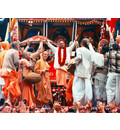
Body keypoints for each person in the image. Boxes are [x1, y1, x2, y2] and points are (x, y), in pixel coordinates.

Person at [71, 38, 94, 105]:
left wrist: (72, 62)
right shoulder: (90, 52)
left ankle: (77, 104)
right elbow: (93, 62)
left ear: (81, 44)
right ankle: (86, 104)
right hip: (87, 73)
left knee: (77, 89)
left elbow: (79, 57)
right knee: (86, 89)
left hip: (80, 72)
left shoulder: (79, 49)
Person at [0, 41, 21, 106]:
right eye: (19, 46)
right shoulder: (15, 52)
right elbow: (16, 62)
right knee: (12, 83)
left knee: (7, 84)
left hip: (4, 70)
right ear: (17, 46)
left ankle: (7, 100)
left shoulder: (8, 51)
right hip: (9, 70)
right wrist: (22, 62)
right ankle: (8, 100)